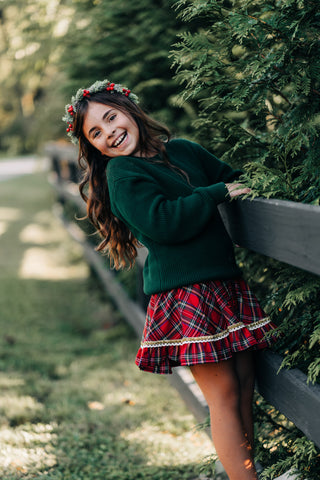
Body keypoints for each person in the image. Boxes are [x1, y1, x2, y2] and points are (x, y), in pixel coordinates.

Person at [63, 79, 278, 480]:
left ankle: (247, 474)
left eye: (111, 117)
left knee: (245, 391)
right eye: (96, 132)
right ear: (92, 146)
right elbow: (163, 223)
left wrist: (245, 188)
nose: (109, 132)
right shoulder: (123, 173)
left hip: (225, 284)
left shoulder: (183, 152)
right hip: (186, 294)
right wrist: (215, 193)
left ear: (129, 110)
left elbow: (236, 179)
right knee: (225, 398)